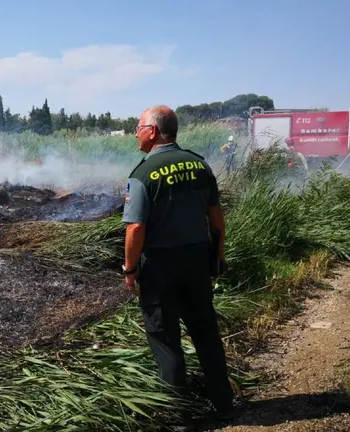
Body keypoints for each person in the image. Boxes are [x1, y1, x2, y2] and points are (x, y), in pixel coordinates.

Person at [122, 105, 235, 428]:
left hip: (160, 268)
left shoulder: (143, 174)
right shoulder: (200, 165)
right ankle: (224, 405)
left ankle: (179, 419)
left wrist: (130, 270)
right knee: (206, 334)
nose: (136, 133)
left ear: (153, 131)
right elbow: (216, 219)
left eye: (139, 127)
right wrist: (218, 256)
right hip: (198, 261)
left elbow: (135, 229)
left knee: (165, 341)